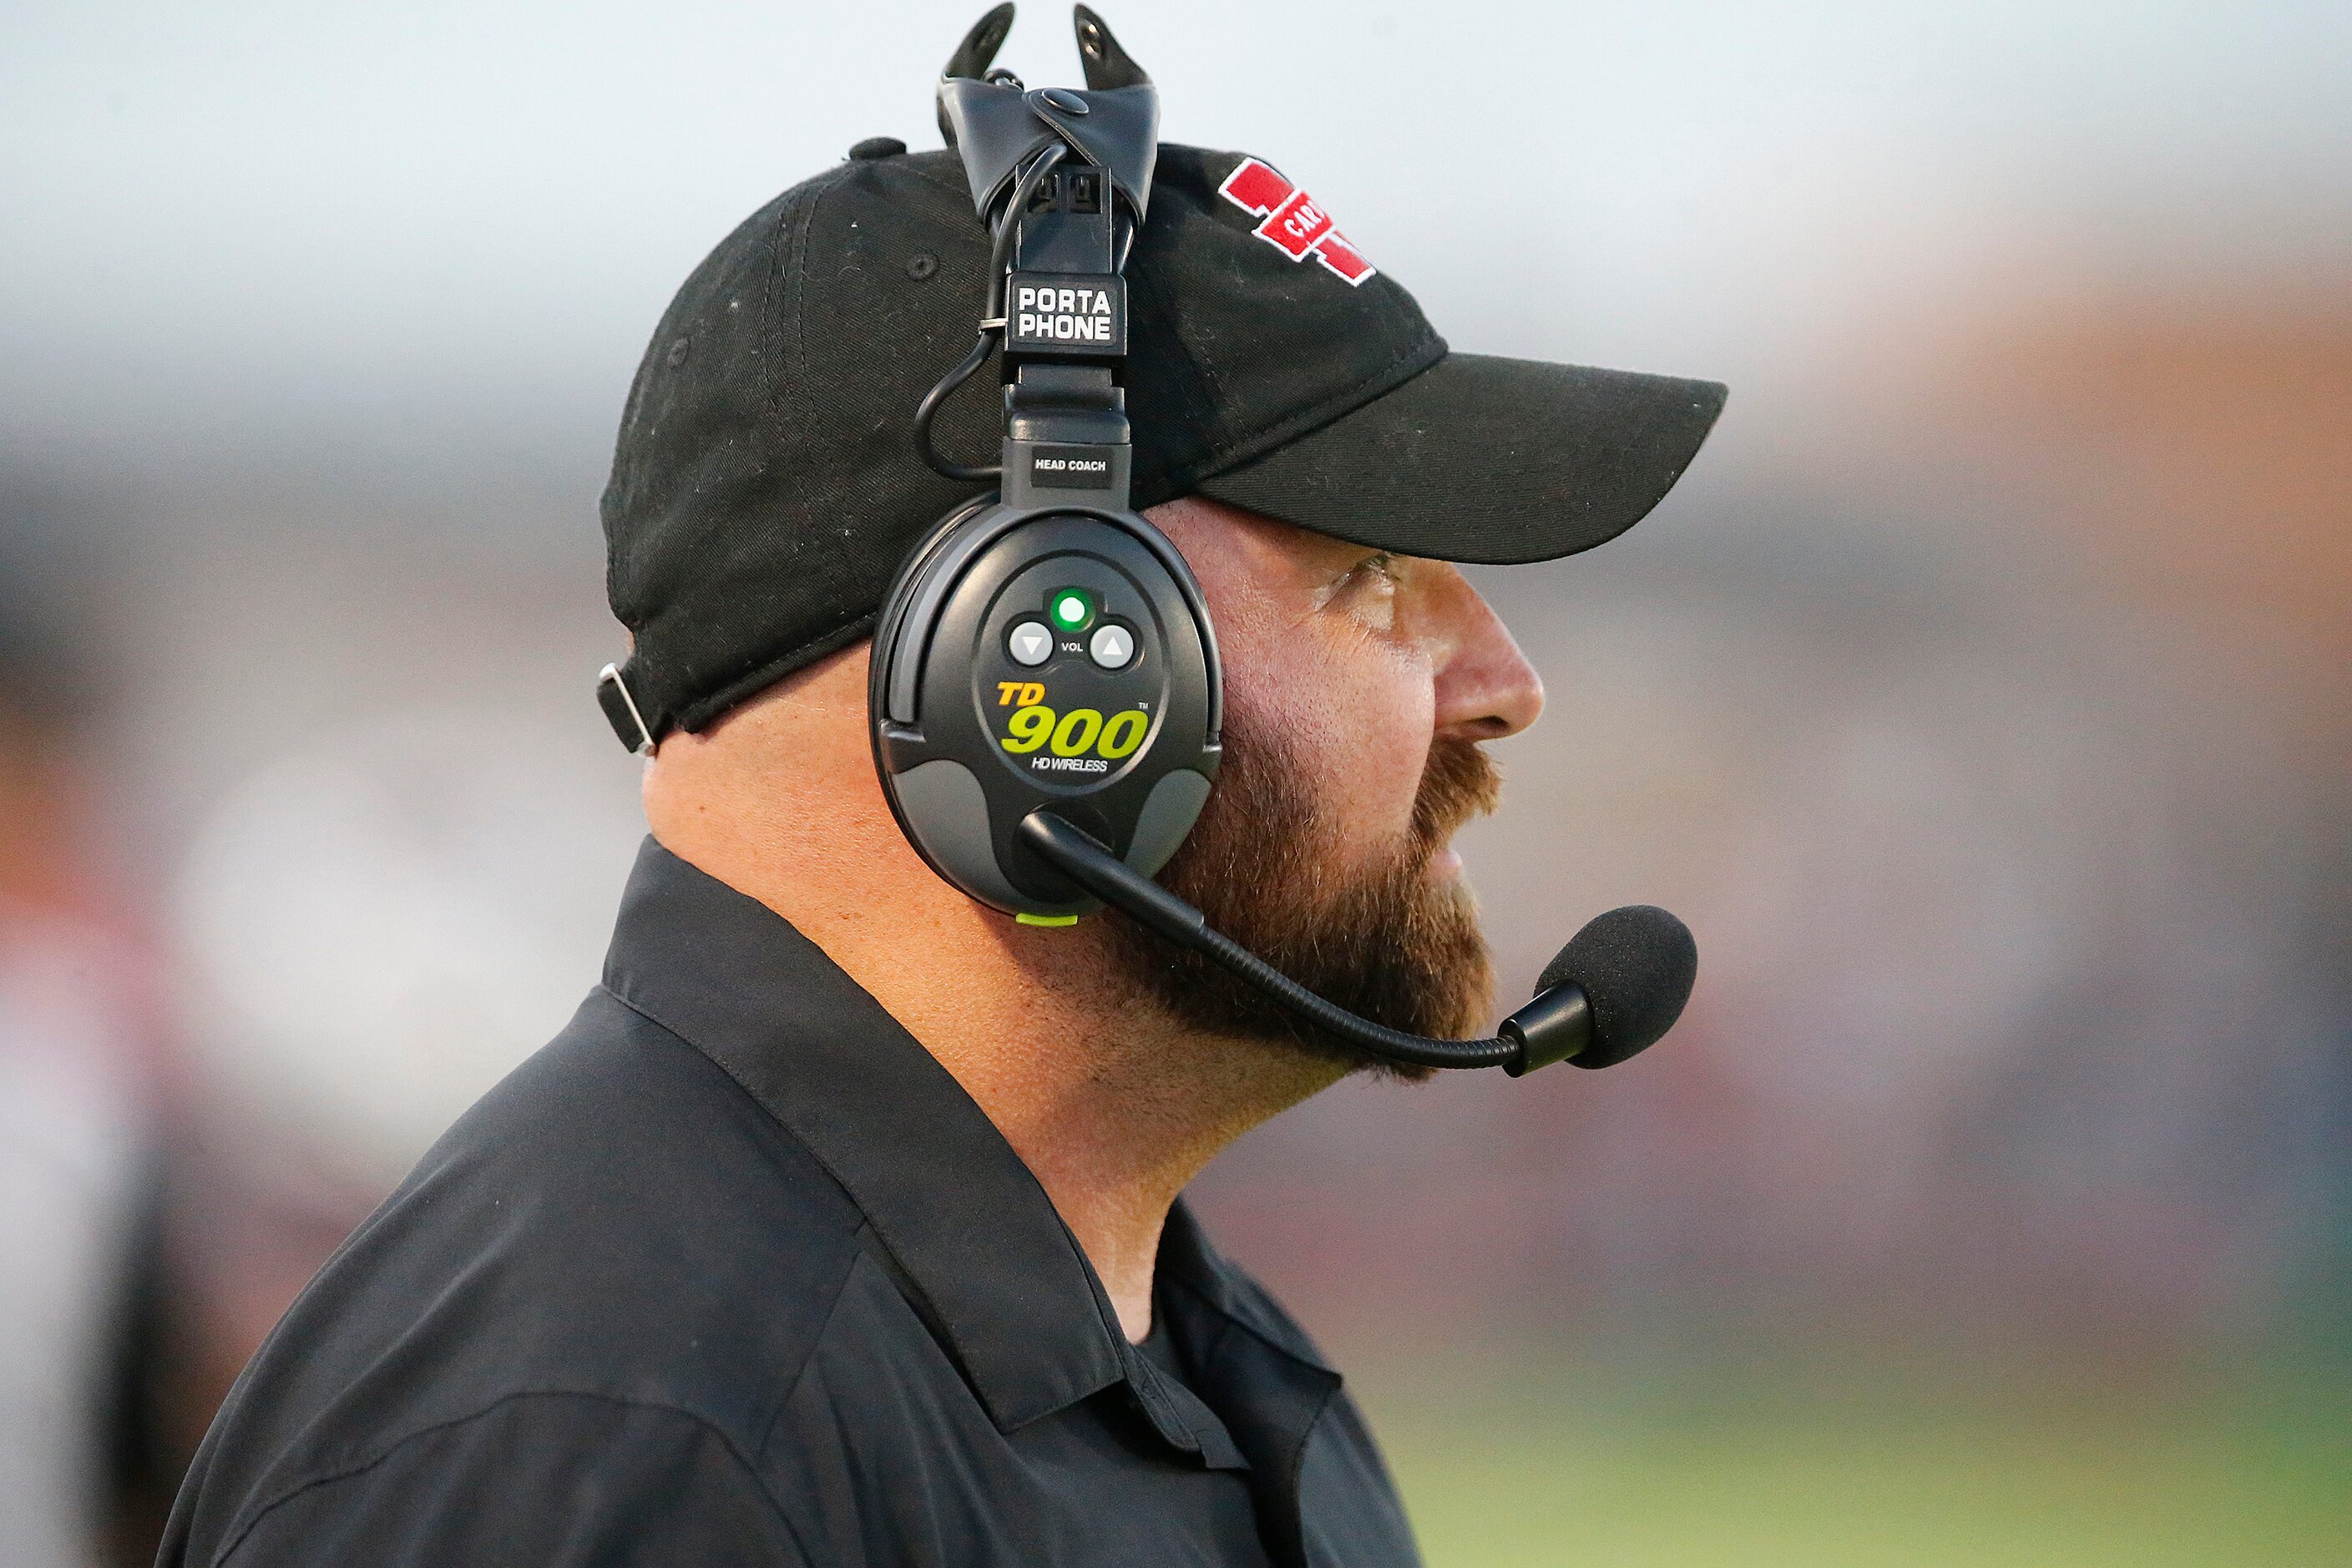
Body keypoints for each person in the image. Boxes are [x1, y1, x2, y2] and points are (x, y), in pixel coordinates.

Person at [158, 63, 1723, 1568]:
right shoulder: (612, 1445)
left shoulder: (1196, 1370)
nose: (1504, 682)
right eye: (1369, 577)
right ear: (1022, 664)